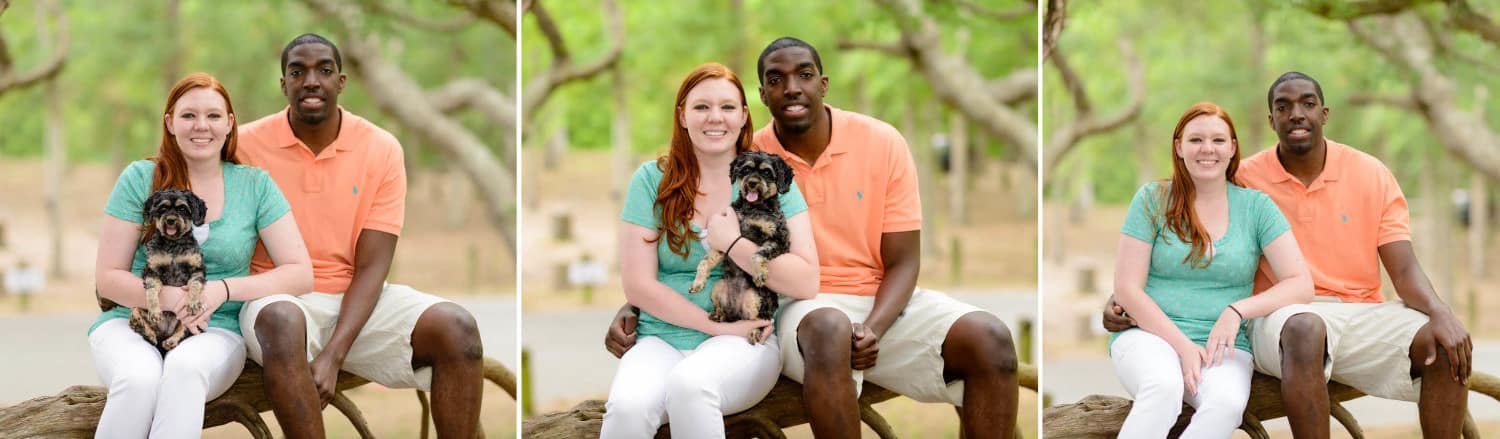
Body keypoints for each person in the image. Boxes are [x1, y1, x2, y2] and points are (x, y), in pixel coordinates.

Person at [608, 37, 1020, 438]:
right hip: (802, 311)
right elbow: (680, 239)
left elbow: (904, 260)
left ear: (823, 83)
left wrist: (873, 327)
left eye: (804, 75)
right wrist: (637, 299)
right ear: (762, 97)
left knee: (990, 338)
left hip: (879, 303)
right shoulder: (750, 156)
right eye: (775, 80)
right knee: (827, 326)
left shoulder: (881, 142)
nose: (791, 88)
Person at [1104, 72, 1473, 438]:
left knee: (1442, 342)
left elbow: (1404, 268)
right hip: (1283, 319)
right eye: (1284, 107)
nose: (1297, 114)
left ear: (1324, 113)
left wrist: (1441, 312)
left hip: (1360, 311)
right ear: (1271, 120)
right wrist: (1124, 300)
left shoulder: (1369, 173)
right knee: (1302, 326)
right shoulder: (1240, 179)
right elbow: (1185, 234)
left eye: (1308, 104)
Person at [235, 34, 486, 438]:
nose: (311, 81)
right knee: (283, 319)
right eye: (297, 72)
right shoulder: (244, 146)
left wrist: (334, 356)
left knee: (457, 328)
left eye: (324, 70)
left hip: (356, 299)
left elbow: (373, 265)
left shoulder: (381, 148)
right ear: (284, 85)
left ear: (342, 82)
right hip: (275, 301)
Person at [599, 62, 820, 438]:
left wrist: (733, 243)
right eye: (701, 107)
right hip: (661, 337)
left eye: (727, 107)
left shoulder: (768, 175)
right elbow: (637, 285)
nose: (714, 118)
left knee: (691, 386)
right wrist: (713, 326)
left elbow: (806, 280)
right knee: (627, 409)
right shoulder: (652, 180)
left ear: (744, 116)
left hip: (750, 339)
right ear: (682, 115)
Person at [90, 72, 313, 438]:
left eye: (212, 116)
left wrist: (220, 290)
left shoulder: (255, 185)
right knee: (138, 378)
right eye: (188, 115)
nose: (201, 126)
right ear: (170, 123)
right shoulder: (139, 178)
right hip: (132, 320)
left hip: (216, 328)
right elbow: (108, 276)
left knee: (185, 370)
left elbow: (300, 273)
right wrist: (170, 298)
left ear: (229, 124)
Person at [1108, 102, 1312, 437]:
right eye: (1196, 140)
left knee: (1226, 405)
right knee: (1162, 389)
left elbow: (1301, 283)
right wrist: (1182, 346)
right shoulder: (1151, 200)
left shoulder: (1257, 208)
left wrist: (1236, 311)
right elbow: (1127, 288)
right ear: (1178, 147)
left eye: (1218, 141)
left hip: (1224, 348)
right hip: (1149, 336)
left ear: (1233, 148)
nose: (1207, 149)